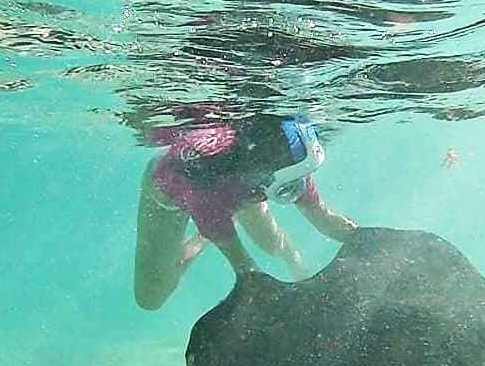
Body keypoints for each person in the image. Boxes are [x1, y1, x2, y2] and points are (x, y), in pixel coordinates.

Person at [134, 113, 357, 310]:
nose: (298, 188)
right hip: (171, 194)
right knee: (151, 297)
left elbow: (326, 220)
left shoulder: (290, 165)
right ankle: (207, 235)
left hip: (241, 182)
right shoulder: (208, 187)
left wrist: (368, 239)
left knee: (271, 243)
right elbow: (247, 272)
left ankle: (294, 263)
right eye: (289, 186)